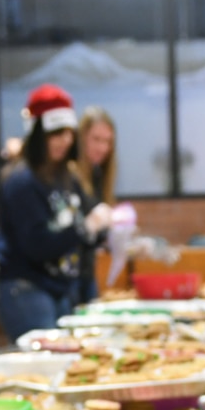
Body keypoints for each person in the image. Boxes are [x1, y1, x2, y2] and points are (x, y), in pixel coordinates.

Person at [0, 84, 108, 343]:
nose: (64, 141)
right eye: (56, 134)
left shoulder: (66, 177)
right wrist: (84, 228)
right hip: (27, 289)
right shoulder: (21, 181)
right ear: (37, 135)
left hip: (60, 289)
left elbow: (84, 231)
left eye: (68, 134)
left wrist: (104, 230)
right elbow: (37, 244)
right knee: (46, 368)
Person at [73, 107, 118, 304]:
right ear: (81, 137)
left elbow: (97, 237)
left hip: (87, 273)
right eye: (96, 139)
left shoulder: (98, 176)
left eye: (107, 141)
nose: (102, 147)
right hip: (66, 278)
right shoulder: (68, 176)